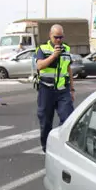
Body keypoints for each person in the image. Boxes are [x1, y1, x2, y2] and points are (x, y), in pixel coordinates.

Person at [33, 24, 76, 152]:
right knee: (45, 121)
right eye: (56, 37)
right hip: (46, 90)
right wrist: (53, 56)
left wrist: (72, 89)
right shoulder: (42, 49)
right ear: (50, 36)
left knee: (68, 119)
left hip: (63, 90)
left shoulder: (66, 49)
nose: (58, 40)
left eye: (61, 37)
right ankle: (47, 148)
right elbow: (39, 66)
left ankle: (61, 145)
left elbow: (68, 69)